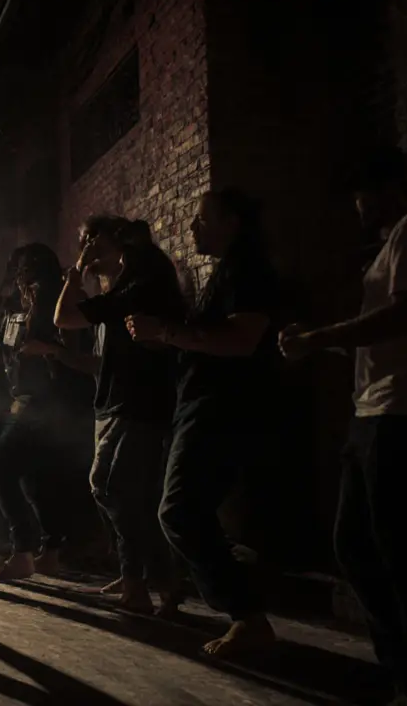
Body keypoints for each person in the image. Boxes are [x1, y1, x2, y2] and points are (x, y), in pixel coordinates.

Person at [279, 150, 407, 703]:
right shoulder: (393, 244)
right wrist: (329, 346)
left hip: (402, 414)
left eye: (361, 194)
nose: (356, 206)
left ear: (388, 188)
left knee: (395, 553)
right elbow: (385, 338)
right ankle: (403, 673)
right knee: (358, 546)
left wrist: (320, 337)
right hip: (372, 413)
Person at [126, 188, 279, 656]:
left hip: (221, 408)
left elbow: (241, 341)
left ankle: (248, 615)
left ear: (232, 221)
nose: (193, 227)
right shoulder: (228, 270)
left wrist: (168, 332)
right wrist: (164, 339)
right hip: (203, 405)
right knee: (187, 511)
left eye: (202, 219)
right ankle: (241, 605)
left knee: (180, 511)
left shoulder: (247, 269)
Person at [54, 215, 185, 614]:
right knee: (125, 496)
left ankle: (150, 579)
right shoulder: (122, 284)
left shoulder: (142, 273)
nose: (87, 248)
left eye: (92, 239)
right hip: (114, 401)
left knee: (110, 488)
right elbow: (70, 322)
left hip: (138, 402)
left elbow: (65, 317)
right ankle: (141, 578)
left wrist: (77, 272)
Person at [0, 244, 96, 581]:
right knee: (35, 479)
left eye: (21, 269)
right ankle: (49, 551)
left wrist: (48, 351)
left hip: (46, 401)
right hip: (28, 398)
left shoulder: (53, 298)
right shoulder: (16, 307)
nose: (17, 277)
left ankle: (23, 550)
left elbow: (75, 351)